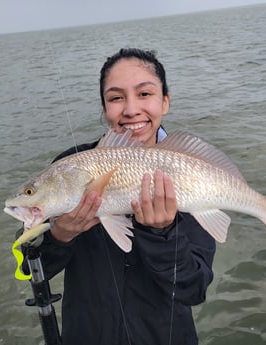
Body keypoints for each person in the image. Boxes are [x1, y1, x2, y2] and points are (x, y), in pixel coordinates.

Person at [37, 48, 216, 345]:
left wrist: (163, 233)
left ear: (165, 102)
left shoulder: (194, 173)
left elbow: (194, 288)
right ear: (104, 108)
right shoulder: (70, 166)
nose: (131, 110)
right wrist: (60, 236)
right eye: (116, 98)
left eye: (145, 94)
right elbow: (30, 268)